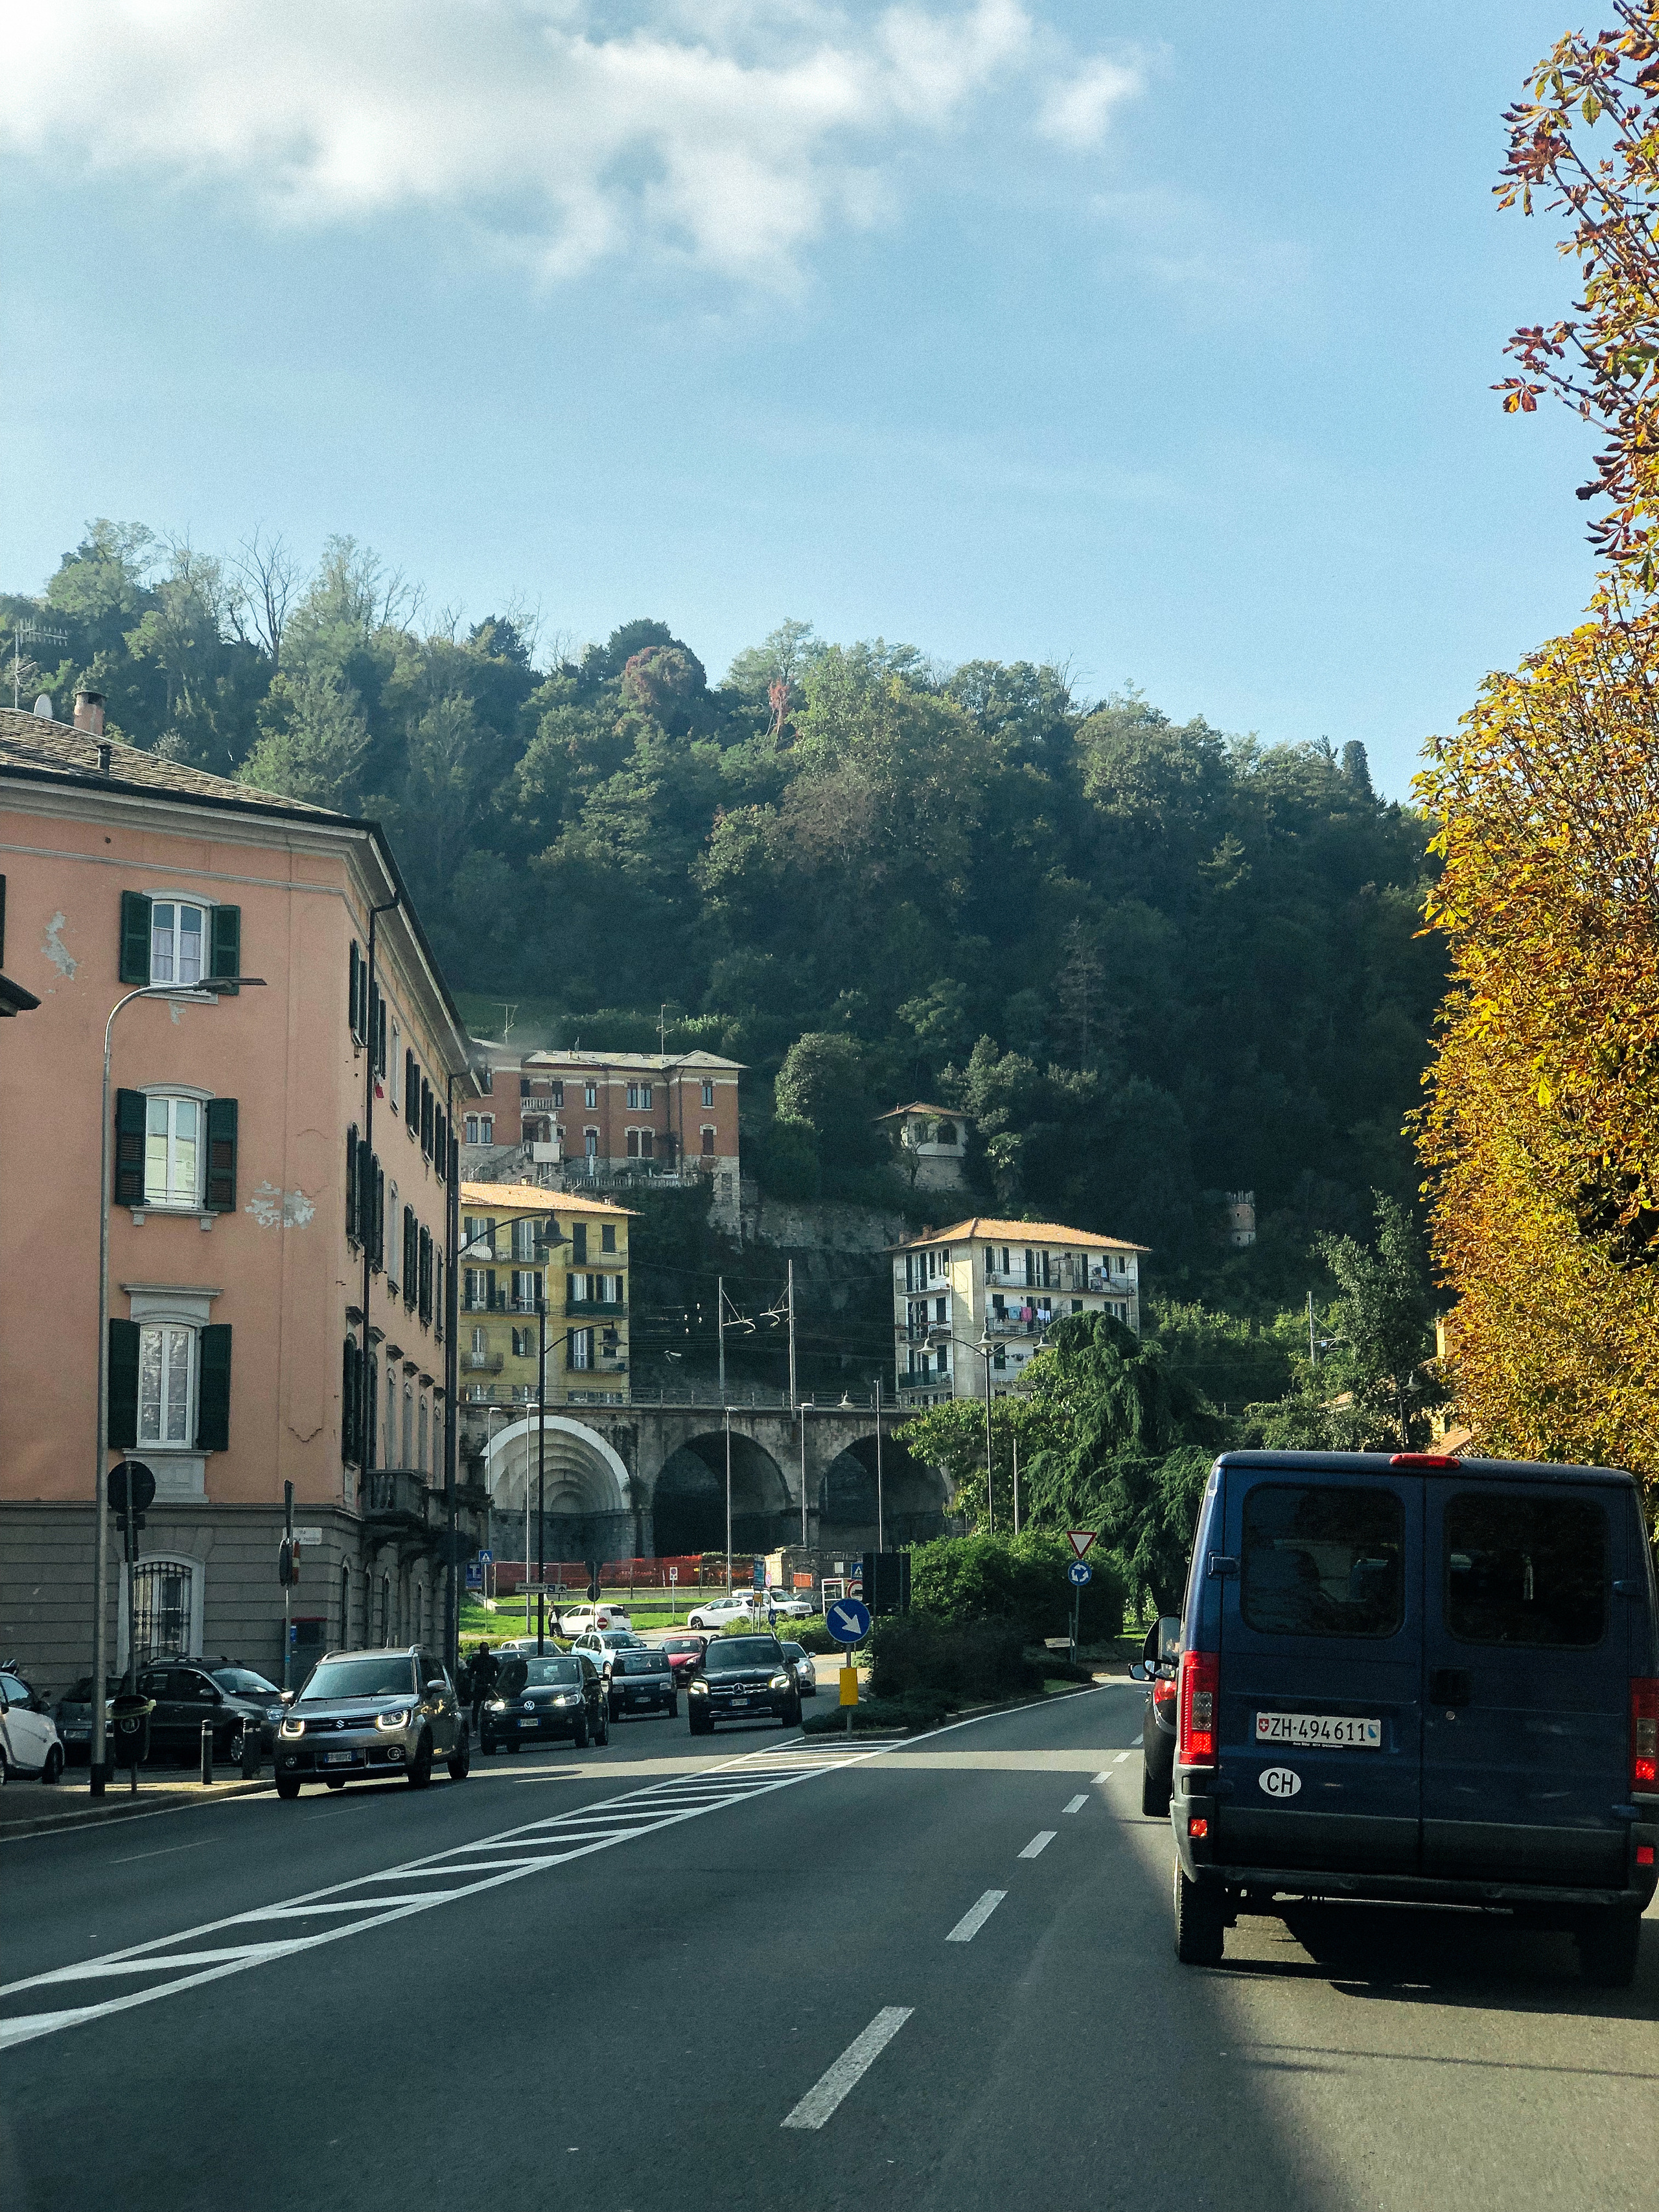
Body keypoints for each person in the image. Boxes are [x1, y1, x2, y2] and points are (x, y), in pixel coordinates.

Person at [470, 1641, 498, 1729]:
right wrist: (476, 1678)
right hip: (480, 1686)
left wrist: (495, 1683)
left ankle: (490, 1725)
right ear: (481, 1650)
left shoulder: (493, 1659)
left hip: (490, 1686)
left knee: (492, 1707)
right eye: (484, 1649)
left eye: (487, 1649)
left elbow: (499, 1672)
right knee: (476, 1708)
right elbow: (470, 1673)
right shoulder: (476, 1660)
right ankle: (475, 1727)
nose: (486, 1651)